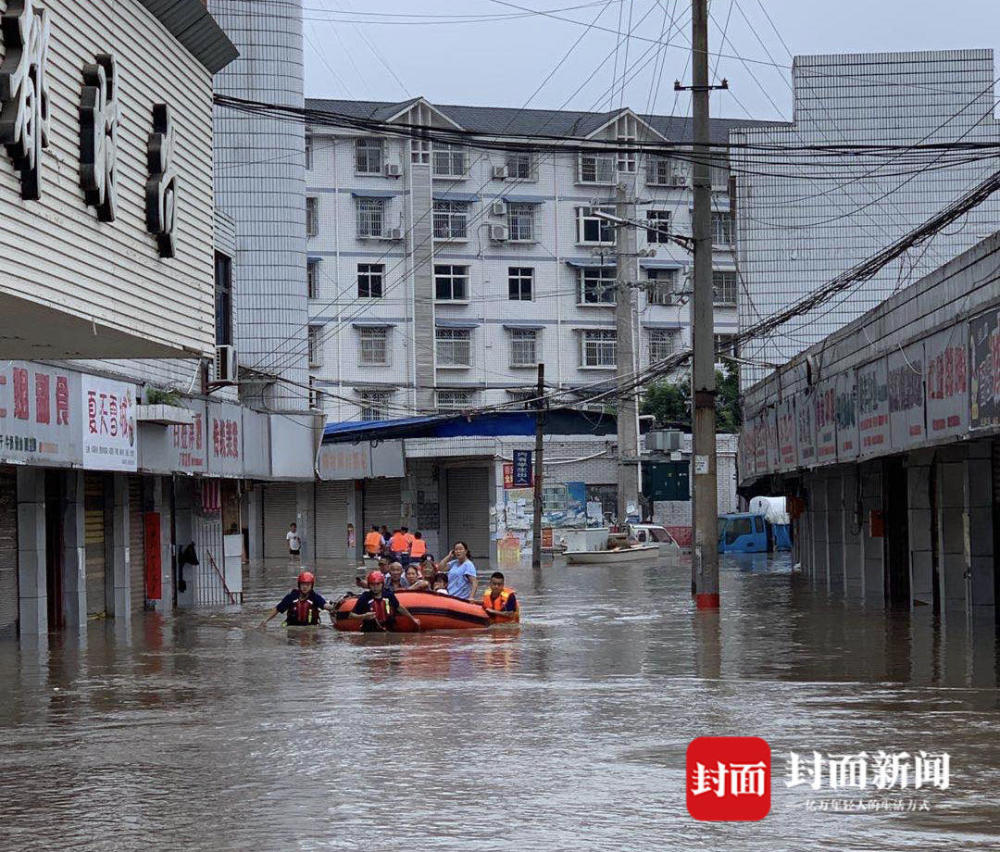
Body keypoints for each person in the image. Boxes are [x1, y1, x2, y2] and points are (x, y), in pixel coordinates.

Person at [349, 571, 420, 632]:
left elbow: (399, 607)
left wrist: (412, 618)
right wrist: (364, 616)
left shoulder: (388, 595)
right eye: (372, 585)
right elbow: (351, 616)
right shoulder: (365, 597)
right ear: (369, 585)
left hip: (389, 628)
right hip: (370, 630)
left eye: (377, 584)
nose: (375, 587)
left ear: (382, 584)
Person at [259, 571, 334, 627]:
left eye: (307, 585)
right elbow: (277, 609)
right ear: (299, 585)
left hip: (311, 626)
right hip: (291, 625)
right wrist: (265, 621)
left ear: (311, 586)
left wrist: (334, 607)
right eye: (303, 584)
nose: (305, 587)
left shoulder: (315, 597)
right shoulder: (291, 596)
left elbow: (325, 606)